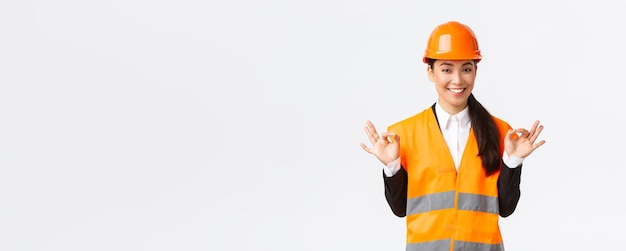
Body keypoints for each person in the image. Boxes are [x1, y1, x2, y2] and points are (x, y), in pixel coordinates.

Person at [360, 20, 546, 251]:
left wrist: (514, 161)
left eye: (466, 69)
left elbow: (506, 208)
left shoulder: (500, 131)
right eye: (446, 69)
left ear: (476, 71)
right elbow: (400, 209)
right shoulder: (403, 134)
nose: (457, 80)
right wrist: (392, 166)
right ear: (430, 71)